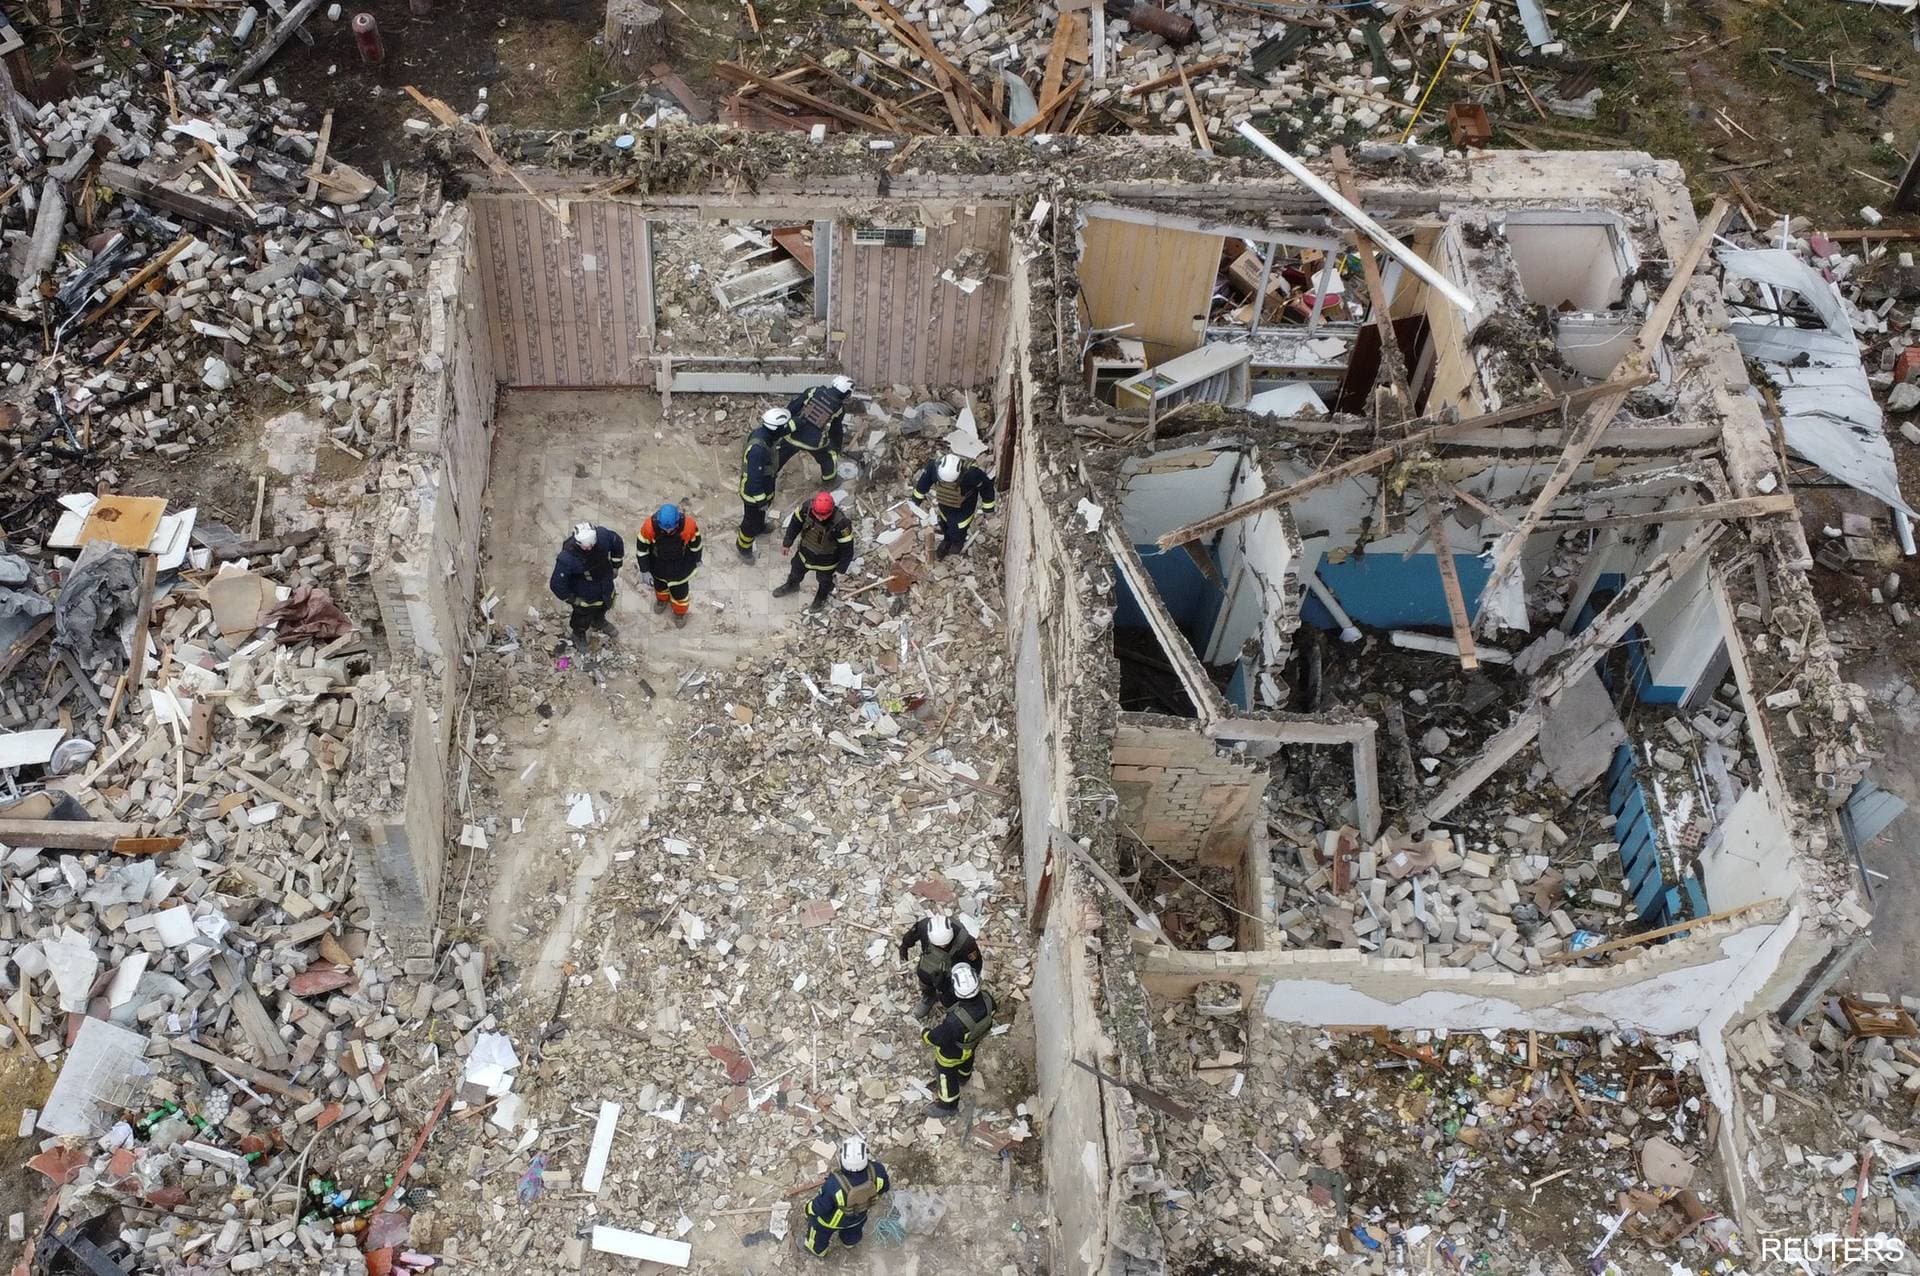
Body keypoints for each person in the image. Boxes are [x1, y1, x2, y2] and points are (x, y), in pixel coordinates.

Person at [924, 962, 996, 1119]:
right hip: (972, 1042)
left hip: (952, 1054)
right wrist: (943, 987)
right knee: (967, 1061)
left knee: (944, 1073)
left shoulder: (955, 1022)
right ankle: (963, 1077)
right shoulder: (988, 999)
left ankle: (947, 1105)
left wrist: (925, 1034)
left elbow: (937, 1038)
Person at [801, 1136, 890, 1259]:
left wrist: (809, 1209)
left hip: (831, 1221)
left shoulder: (834, 1184)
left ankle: (817, 1250)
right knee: (853, 1231)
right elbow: (885, 1188)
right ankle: (849, 1243)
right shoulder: (878, 1171)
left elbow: (822, 1206)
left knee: (818, 1230)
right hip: (860, 1216)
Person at [773, 491, 853, 611]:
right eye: (818, 514)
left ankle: (821, 598)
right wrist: (787, 543)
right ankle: (792, 585)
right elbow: (794, 525)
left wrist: (841, 570)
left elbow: (847, 549)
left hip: (827, 561)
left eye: (824, 515)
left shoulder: (841, 524)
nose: (820, 517)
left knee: (825, 581)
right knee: (795, 571)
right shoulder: (806, 509)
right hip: (804, 553)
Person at [910, 451, 998, 559]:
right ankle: (947, 539)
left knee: (957, 530)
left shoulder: (972, 474)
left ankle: (957, 544)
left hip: (964, 509)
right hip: (944, 505)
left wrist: (988, 509)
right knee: (944, 523)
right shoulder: (934, 467)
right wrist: (915, 500)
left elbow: (987, 488)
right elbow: (924, 482)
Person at [548, 522, 623, 647]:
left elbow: (617, 543)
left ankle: (598, 621)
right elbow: (557, 584)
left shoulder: (603, 537)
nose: (589, 549)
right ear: (578, 543)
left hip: (605, 583)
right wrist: (572, 599)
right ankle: (578, 633)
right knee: (582, 615)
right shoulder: (567, 558)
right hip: (584, 592)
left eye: (591, 545)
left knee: (605, 605)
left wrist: (616, 566)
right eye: (585, 547)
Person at [897, 913, 983, 1017]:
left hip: (954, 972)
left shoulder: (966, 942)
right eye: (938, 945)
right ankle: (928, 997)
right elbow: (912, 935)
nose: (942, 946)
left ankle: (957, 1010)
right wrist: (904, 947)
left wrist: (968, 983)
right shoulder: (925, 926)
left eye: (946, 944)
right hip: (928, 965)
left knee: (949, 997)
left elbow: (976, 963)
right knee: (924, 977)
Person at [635, 503, 703, 627]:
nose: (668, 531)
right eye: (665, 529)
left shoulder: (689, 525)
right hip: (658, 565)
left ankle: (680, 613)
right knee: (660, 587)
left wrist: (697, 559)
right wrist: (644, 570)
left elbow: (696, 544)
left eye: (671, 529)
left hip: (680, 567)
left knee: (680, 594)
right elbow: (642, 549)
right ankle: (662, 600)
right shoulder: (649, 527)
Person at [737, 407, 790, 560]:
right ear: (776, 429)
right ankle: (743, 547)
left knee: (759, 515)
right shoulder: (758, 449)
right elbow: (754, 479)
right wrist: (761, 500)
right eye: (783, 428)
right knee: (749, 522)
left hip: (764, 488)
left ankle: (760, 527)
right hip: (753, 494)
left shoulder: (765, 435)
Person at [780, 376, 853, 482]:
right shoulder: (839, 408)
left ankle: (767, 477)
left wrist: (784, 426)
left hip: (793, 435)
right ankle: (829, 481)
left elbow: (794, 407)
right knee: (829, 458)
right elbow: (836, 431)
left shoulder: (814, 391)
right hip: (814, 443)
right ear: (845, 393)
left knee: (777, 458)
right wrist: (836, 448)